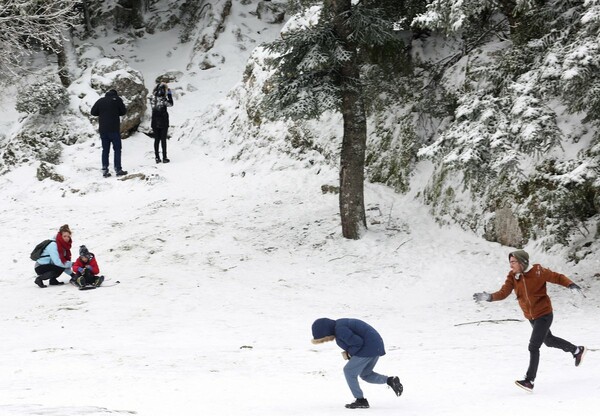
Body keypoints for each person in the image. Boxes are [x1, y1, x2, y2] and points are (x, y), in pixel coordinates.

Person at [473, 250, 586, 392]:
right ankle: (577, 350)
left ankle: (529, 380)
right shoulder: (513, 276)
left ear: (522, 262)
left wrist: (571, 285)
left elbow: (557, 277)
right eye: (510, 262)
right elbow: (504, 292)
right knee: (549, 341)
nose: (511, 265)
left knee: (533, 347)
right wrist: (489, 297)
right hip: (531, 316)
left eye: (513, 262)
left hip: (544, 314)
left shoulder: (538, 271)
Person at [311, 317, 403, 409]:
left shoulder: (340, 330)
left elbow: (358, 342)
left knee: (348, 371)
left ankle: (360, 400)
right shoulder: (339, 325)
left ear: (325, 331)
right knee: (365, 375)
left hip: (369, 347)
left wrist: (349, 353)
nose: (325, 340)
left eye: (323, 338)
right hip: (375, 345)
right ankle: (390, 380)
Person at [90, 89, 128, 177]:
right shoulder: (117, 100)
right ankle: (118, 169)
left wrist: (102, 112)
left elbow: (93, 112)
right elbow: (123, 112)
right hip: (114, 129)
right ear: (115, 94)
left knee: (105, 150)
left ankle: (105, 169)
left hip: (103, 129)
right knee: (117, 149)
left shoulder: (100, 100)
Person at [150, 82, 174, 163]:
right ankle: (164, 157)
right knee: (163, 139)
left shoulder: (152, 98)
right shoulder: (163, 100)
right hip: (163, 121)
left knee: (156, 139)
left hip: (154, 122)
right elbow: (171, 104)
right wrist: (169, 93)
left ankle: (157, 157)